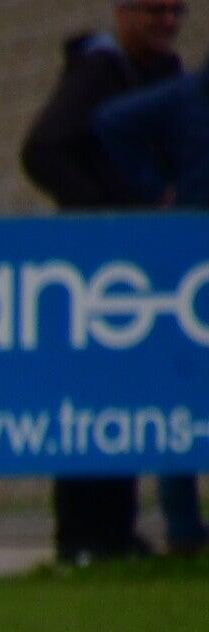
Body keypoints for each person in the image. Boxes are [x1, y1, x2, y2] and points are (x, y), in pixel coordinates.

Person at [21, 0, 186, 564]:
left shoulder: (163, 71)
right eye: (156, 11)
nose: (168, 22)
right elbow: (41, 150)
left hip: (135, 264)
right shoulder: (98, 72)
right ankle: (81, 536)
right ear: (123, 13)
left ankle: (117, 531)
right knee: (89, 394)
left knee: (125, 397)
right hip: (92, 266)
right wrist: (102, 212)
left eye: (177, 12)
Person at [94, 50, 209, 555]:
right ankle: (183, 528)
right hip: (187, 263)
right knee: (179, 395)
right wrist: (158, 190)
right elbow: (110, 121)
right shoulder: (189, 98)